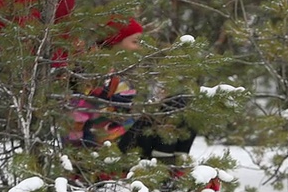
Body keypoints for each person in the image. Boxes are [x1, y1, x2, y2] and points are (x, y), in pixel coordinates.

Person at [65, 17, 197, 163]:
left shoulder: (117, 71)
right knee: (176, 105)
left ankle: (175, 163)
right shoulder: (94, 70)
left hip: (120, 137)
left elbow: (121, 111)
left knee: (183, 104)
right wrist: (81, 156)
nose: (139, 48)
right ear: (115, 41)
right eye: (135, 42)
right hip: (105, 146)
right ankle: (165, 167)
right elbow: (79, 115)